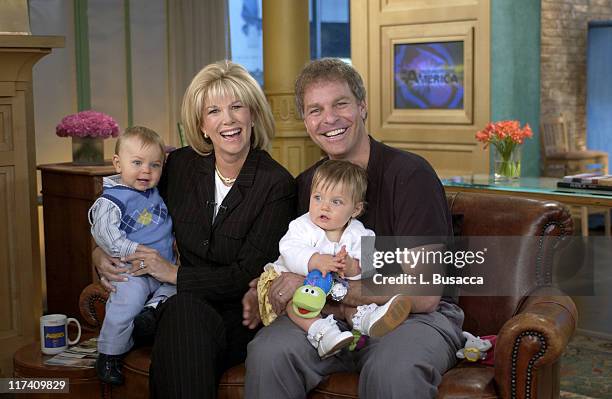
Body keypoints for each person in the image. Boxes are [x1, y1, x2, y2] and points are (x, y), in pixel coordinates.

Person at [243, 58, 464, 398]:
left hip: (411, 317)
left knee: (393, 370)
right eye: (315, 110)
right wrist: (264, 287)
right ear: (305, 121)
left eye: (340, 104)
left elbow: (424, 291)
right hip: (326, 315)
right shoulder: (306, 186)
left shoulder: (409, 176)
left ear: (362, 107)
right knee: (268, 354)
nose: (329, 119)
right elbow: (290, 259)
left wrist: (329, 286)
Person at [92, 60, 296, 398]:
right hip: (174, 307)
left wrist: (173, 274)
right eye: (214, 111)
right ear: (201, 126)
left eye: (237, 107)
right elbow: (127, 208)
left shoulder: (276, 185)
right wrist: (101, 252)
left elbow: (246, 274)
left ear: (253, 115)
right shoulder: (180, 166)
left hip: (235, 316)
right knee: (181, 312)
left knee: (181, 313)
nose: (227, 120)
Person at [257, 159, 412, 359]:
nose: (324, 207)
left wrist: (353, 268)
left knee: (354, 302)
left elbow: (372, 265)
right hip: (292, 284)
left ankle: (365, 320)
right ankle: (320, 332)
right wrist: (314, 260)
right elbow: (289, 249)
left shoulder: (361, 233)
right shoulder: (301, 226)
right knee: (296, 301)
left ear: (355, 210)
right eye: (318, 197)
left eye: (336, 201)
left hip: (335, 290)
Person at [88, 126, 176, 385]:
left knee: (174, 290)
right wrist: (128, 250)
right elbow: (102, 231)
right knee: (126, 302)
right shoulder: (113, 198)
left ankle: (149, 315)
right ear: (118, 163)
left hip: (163, 269)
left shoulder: (153, 192)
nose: (146, 171)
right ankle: (109, 354)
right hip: (131, 269)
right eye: (137, 163)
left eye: (155, 165)